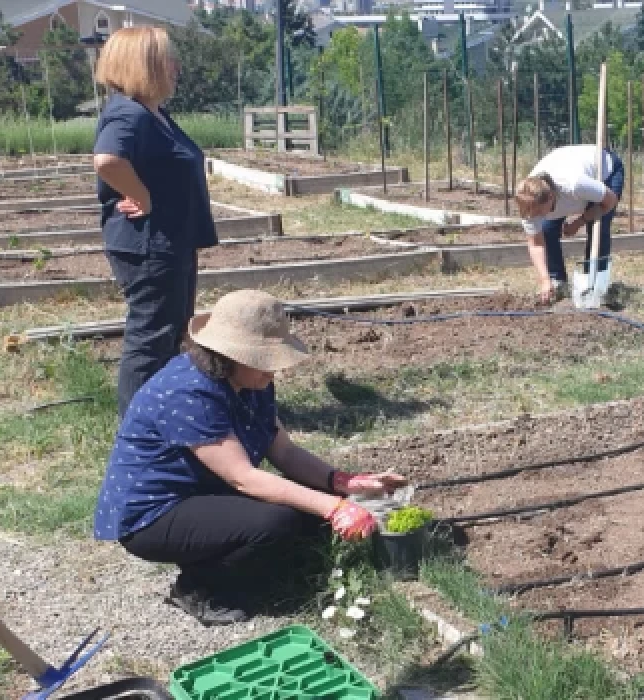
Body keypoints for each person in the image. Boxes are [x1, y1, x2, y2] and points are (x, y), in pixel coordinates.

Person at [93, 290, 408, 626]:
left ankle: (262, 570)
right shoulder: (187, 392)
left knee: (310, 516)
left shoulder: (251, 381)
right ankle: (197, 588)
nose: (272, 371)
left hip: (201, 491)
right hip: (155, 512)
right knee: (276, 523)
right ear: (229, 354)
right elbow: (243, 477)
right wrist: (335, 508)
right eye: (264, 360)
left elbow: (283, 451)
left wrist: (343, 483)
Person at [93, 27, 220, 416]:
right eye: (167, 58)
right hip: (149, 244)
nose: (176, 66)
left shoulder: (153, 113)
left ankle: (161, 412)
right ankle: (138, 424)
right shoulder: (127, 112)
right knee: (150, 338)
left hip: (170, 240)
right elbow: (107, 160)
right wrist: (143, 197)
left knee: (169, 332)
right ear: (143, 64)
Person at [515, 144, 625, 303]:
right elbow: (536, 245)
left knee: (598, 228)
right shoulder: (528, 201)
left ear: (551, 197)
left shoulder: (575, 185)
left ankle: (595, 282)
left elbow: (609, 202)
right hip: (565, 161)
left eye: (539, 212)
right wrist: (544, 279)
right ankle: (556, 281)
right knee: (546, 229)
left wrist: (579, 222)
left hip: (604, 169)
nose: (535, 216)